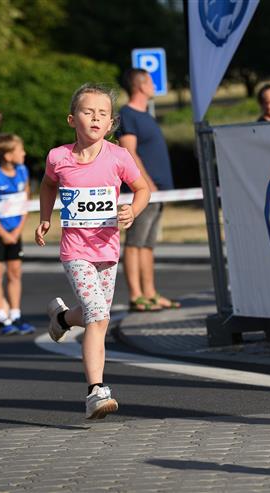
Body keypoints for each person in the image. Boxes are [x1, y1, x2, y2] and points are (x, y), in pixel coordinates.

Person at [35, 83, 150, 419]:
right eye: (88, 112)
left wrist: (132, 210)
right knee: (98, 316)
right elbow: (48, 184)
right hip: (76, 251)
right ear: (72, 119)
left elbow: (142, 189)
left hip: (107, 250)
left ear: (111, 123)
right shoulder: (59, 157)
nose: (96, 118)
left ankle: (61, 318)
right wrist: (45, 218)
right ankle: (95, 392)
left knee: (93, 315)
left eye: (103, 114)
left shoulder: (118, 156)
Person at [116, 68, 180, 312]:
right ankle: (136, 295)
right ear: (140, 85)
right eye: (150, 82)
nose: (154, 86)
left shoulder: (146, 115)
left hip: (158, 191)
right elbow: (128, 151)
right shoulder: (127, 115)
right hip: (142, 192)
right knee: (135, 242)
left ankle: (150, 293)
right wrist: (145, 183)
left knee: (148, 244)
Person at [0, 133, 35, 336]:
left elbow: (26, 202)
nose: (24, 153)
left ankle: (15, 314)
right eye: (19, 150)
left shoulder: (23, 171)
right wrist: (2, 233)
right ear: (7, 155)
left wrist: (17, 230)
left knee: (15, 272)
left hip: (15, 231)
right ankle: (1, 317)